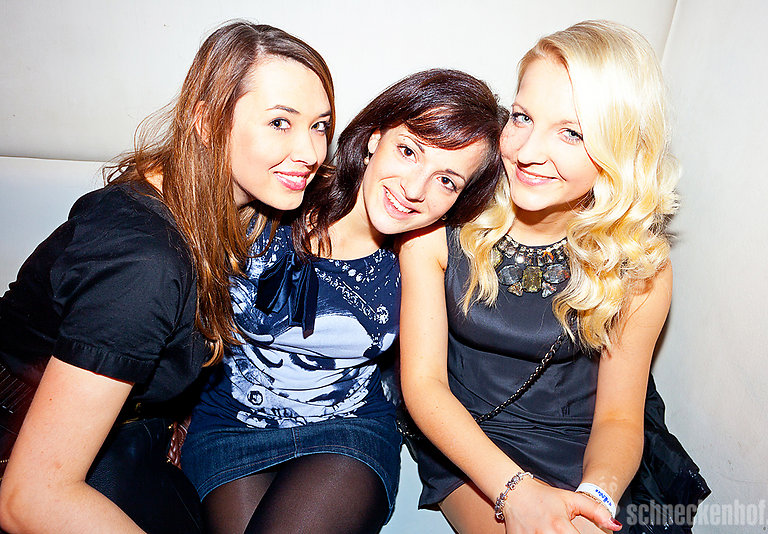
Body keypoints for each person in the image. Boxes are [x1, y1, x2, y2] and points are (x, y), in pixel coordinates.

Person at [0, 21, 334, 534]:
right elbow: (30, 499)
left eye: (320, 126)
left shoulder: (226, 205)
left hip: (126, 431)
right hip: (24, 437)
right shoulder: (144, 261)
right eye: (280, 123)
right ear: (206, 122)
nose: (311, 152)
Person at [181, 68, 508, 534]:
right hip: (229, 427)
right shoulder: (280, 190)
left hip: (347, 431)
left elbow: (435, 377)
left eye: (446, 181)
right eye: (409, 151)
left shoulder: (423, 251)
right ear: (375, 137)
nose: (414, 190)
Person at [400, 20, 680, 534]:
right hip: (467, 442)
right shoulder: (439, 226)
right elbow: (424, 385)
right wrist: (516, 490)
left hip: (583, 448)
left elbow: (619, 418)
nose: (528, 152)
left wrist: (593, 500)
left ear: (618, 149)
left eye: (572, 133)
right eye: (522, 117)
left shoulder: (640, 266)